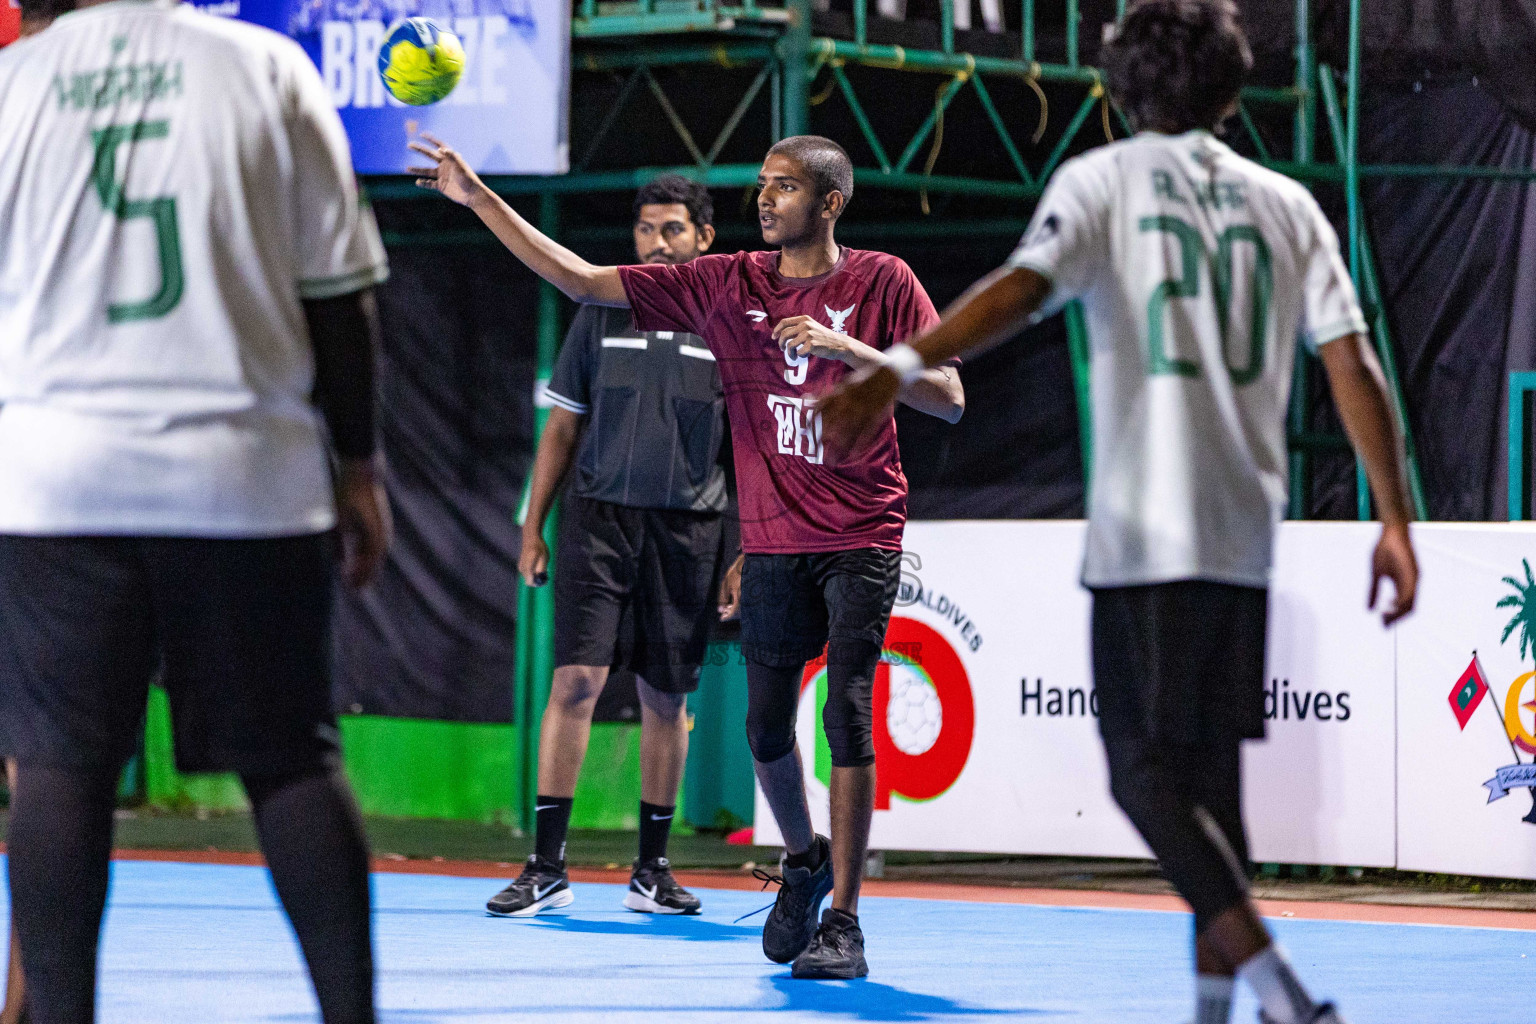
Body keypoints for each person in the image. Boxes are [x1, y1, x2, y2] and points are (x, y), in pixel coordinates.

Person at [817, 2, 1416, 1021]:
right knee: (1211, 794)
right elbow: (1351, 361)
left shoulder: (1103, 180)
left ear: (1118, 89)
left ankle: (1282, 993)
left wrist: (895, 369)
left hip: (1146, 528)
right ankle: (1216, 1014)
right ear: (1231, 92)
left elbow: (1020, 289)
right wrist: (1396, 518)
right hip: (1243, 532)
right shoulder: (1286, 203)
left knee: (1141, 776)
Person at [411, 133, 963, 978]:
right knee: (764, 727)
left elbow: (950, 396)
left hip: (862, 532)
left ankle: (844, 922)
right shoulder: (725, 281)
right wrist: (480, 197)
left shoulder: (882, 281)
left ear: (830, 204)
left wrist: (849, 351)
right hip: (777, 541)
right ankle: (805, 861)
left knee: (846, 709)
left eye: (785, 187)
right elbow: (583, 281)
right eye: (763, 185)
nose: (766, 199)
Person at [0, 2, 392, 1022]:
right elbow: (339, 297)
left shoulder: (14, 85)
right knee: (292, 761)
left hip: (52, 476)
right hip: (243, 473)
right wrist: (360, 465)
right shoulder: (262, 67)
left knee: (55, 765)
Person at [486, 175, 735, 918]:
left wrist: (744, 549)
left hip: (691, 529)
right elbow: (561, 427)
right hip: (597, 522)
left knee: (668, 696)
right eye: (646, 230)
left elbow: (748, 451)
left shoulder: (727, 321)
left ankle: (651, 871)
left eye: (673, 231)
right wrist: (534, 525)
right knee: (575, 684)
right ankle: (546, 865)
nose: (657, 244)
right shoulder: (601, 309)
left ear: (703, 239)